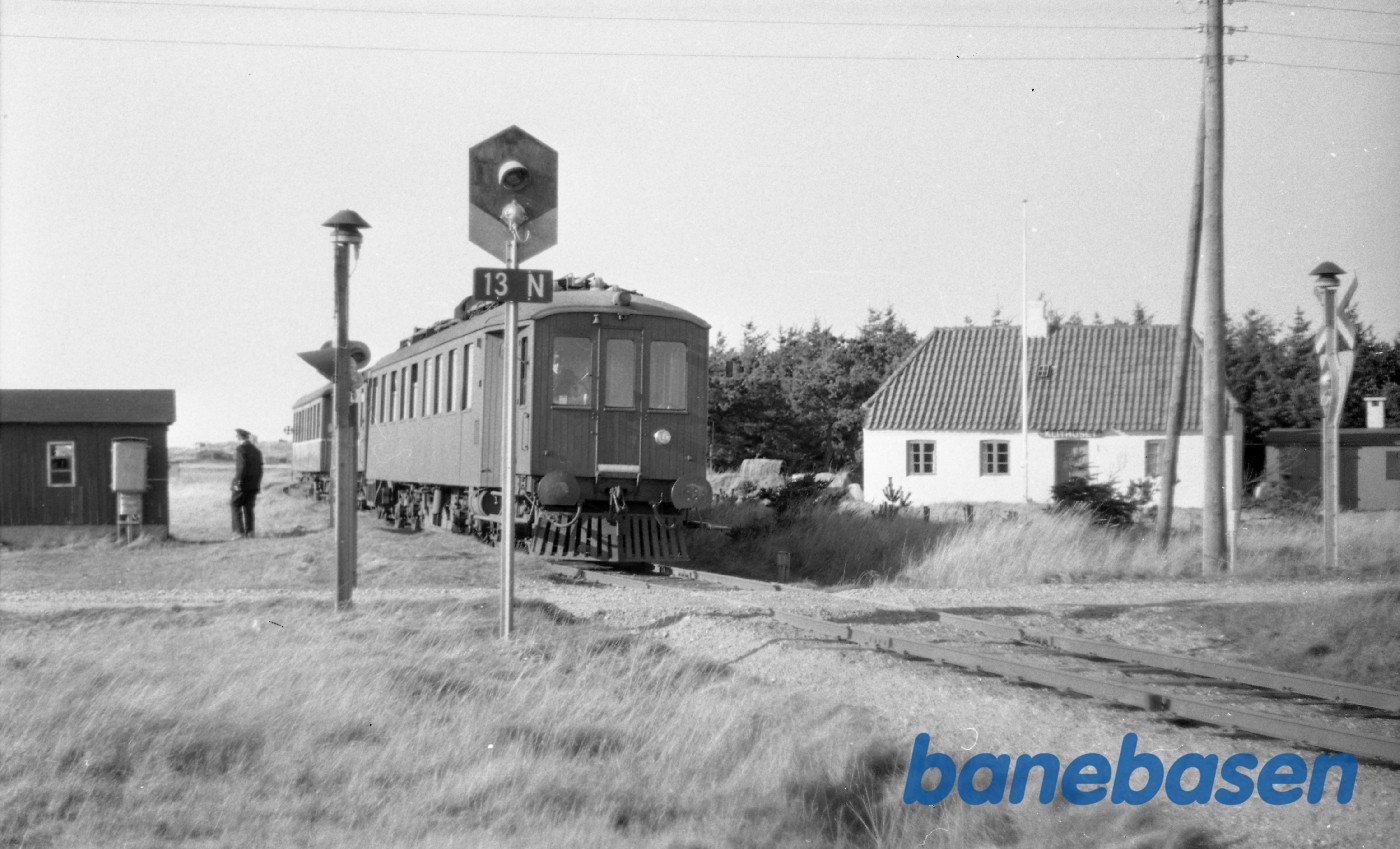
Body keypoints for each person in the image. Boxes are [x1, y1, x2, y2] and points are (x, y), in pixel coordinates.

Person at [231, 428, 264, 538]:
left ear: (240, 437)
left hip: (243, 485)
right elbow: (260, 469)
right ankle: (250, 533)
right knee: (249, 508)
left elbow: (241, 467)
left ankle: (238, 532)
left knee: (235, 505)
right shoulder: (257, 451)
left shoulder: (240, 449)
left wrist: (238, 483)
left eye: (236, 437)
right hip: (253, 485)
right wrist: (257, 485)